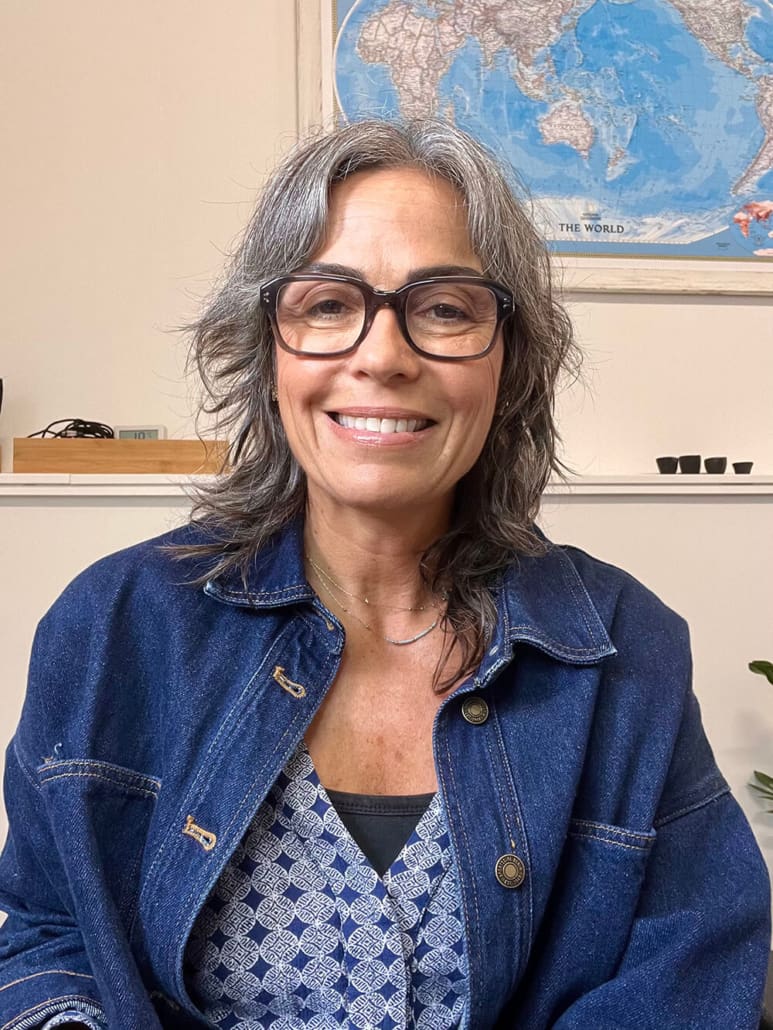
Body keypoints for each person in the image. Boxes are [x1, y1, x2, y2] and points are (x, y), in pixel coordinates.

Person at [0, 119, 769, 1030]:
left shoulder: (622, 647)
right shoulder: (115, 623)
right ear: (268, 352)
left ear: (508, 362)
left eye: (445, 308)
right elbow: (45, 929)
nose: (382, 354)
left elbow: (693, 963)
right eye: (326, 304)